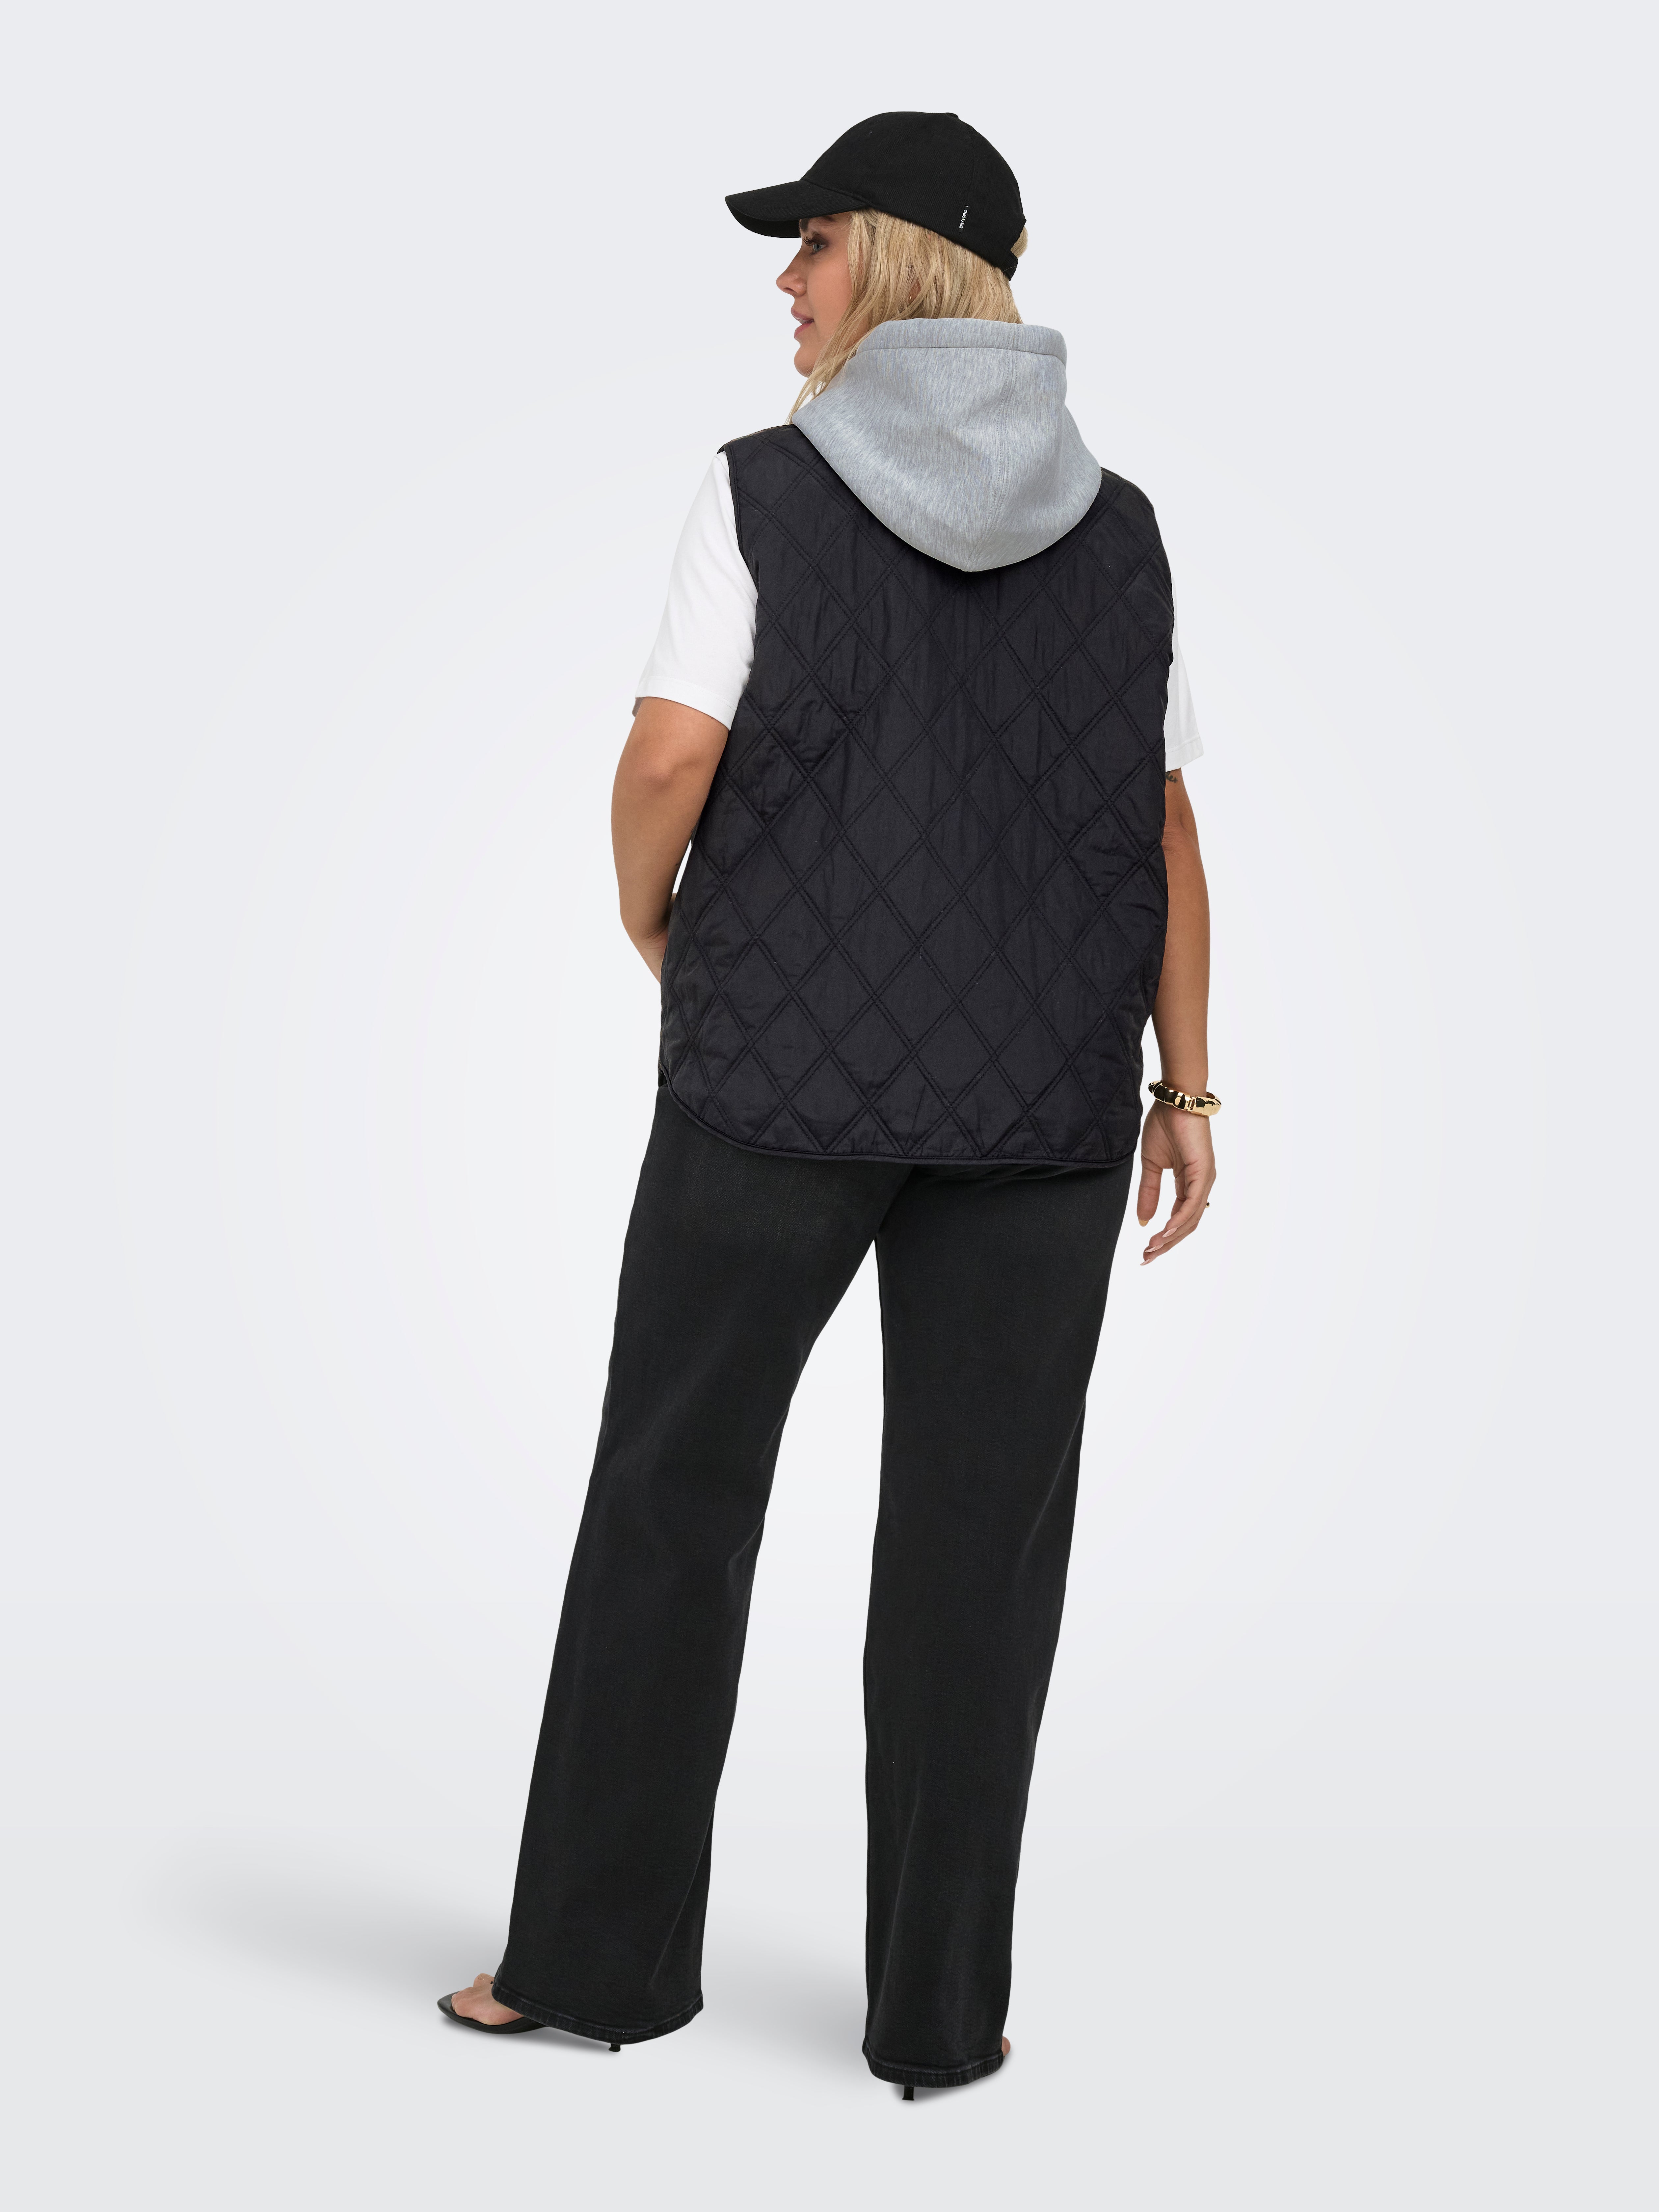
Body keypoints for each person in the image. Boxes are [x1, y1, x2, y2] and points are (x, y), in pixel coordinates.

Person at [440, 111, 1218, 2096]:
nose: (787, 285)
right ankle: (939, 2019)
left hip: (770, 1093)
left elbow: (665, 758)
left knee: (671, 1503)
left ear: (904, 262)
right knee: (979, 1558)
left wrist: (654, 921)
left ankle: (590, 1967)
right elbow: (1164, 827)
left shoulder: (762, 490)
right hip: (1043, 1113)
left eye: (814, 245)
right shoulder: (1124, 528)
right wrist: (1188, 1086)